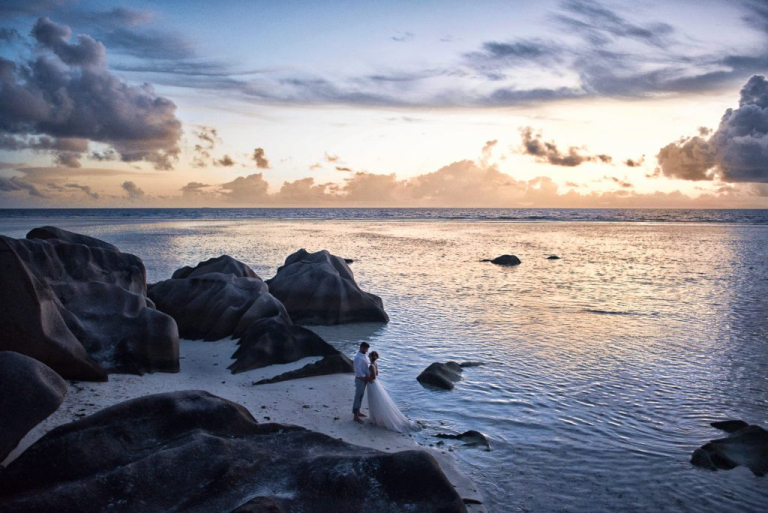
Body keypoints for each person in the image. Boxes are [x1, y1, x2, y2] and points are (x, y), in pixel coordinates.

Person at [366, 351, 421, 433]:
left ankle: (375, 419)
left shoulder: (371, 366)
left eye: (369, 356)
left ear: (370, 357)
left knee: (373, 400)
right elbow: (377, 374)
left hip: (372, 384)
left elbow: (373, 377)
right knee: (377, 401)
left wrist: (365, 378)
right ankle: (376, 418)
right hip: (375, 384)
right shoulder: (375, 364)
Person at [352, 342, 372, 424]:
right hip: (360, 379)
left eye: (367, 349)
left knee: (361, 396)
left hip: (363, 379)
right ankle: (355, 416)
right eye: (366, 348)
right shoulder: (357, 357)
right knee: (358, 396)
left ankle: (358, 411)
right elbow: (358, 370)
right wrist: (365, 377)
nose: (367, 350)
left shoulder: (363, 355)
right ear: (362, 347)